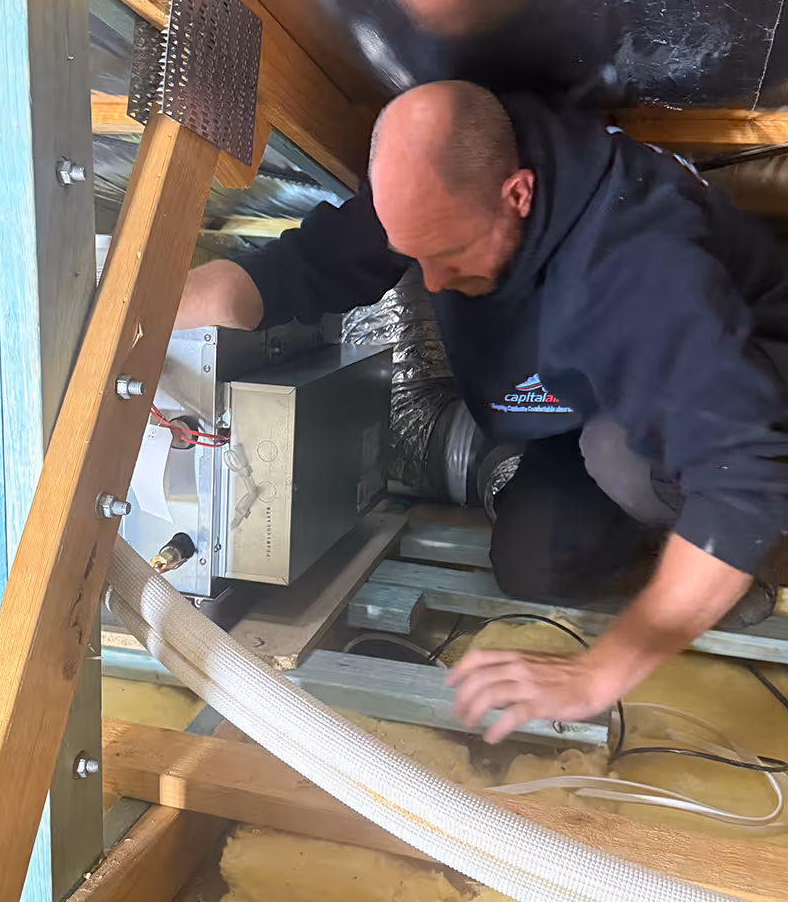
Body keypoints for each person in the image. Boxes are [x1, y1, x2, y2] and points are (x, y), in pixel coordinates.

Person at [177, 80, 788, 741]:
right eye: (416, 257)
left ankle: (742, 560)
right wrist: (136, 314)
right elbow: (295, 270)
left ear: (518, 193)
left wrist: (603, 670)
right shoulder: (441, 173)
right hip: (592, 402)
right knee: (535, 561)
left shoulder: (637, 266)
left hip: (747, 397)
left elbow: (744, 476)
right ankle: (689, 560)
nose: (433, 282)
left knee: (624, 458)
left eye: (450, 255)